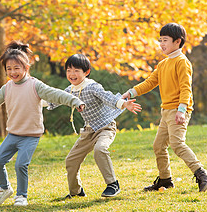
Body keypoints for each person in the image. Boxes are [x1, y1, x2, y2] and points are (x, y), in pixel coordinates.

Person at [0, 41, 85, 207]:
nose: (12, 72)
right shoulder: (7, 88)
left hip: (30, 136)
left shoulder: (35, 85)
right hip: (13, 134)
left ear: (26, 67)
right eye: (9, 69)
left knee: (21, 164)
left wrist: (75, 101)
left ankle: (21, 196)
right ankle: (5, 189)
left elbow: (56, 94)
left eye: (16, 68)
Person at [122, 23, 207, 192]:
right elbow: (150, 82)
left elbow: (186, 87)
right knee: (158, 146)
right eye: (160, 40)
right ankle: (165, 180)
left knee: (177, 144)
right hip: (166, 111)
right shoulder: (163, 64)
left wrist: (182, 109)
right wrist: (131, 92)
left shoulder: (182, 62)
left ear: (177, 41)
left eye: (165, 40)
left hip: (179, 110)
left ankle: (202, 173)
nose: (161, 44)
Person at [47, 54, 142, 199]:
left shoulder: (93, 87)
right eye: (69, 70)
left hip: (105, 127)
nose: (72, 74)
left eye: (76, 71)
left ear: (86, 72)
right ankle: (76, 192)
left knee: (100, 149)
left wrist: (123, 104)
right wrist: (34, 100)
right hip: (89, 131)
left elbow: (108, 97)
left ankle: (112, 184)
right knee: (71, 160)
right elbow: (55, 100)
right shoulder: (70, 90)